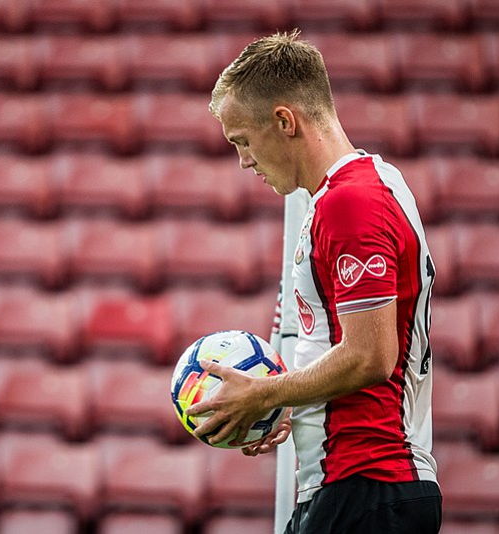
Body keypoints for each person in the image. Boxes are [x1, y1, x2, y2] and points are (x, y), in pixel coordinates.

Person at [185, 30, 442, 533]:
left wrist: (265, 394)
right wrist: (290, 404)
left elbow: (371, 356)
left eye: (243, 140)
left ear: (284, 121)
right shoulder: (371, 185)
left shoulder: (352, 202)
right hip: (360, 488)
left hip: (367, 487)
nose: (244, 161)